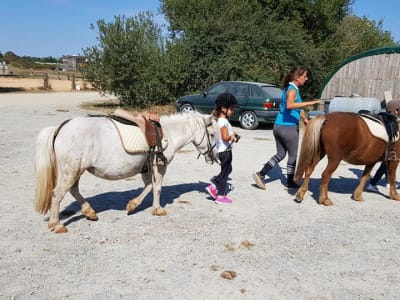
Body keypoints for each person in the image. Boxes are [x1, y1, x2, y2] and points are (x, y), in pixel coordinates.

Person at [252, 65, 322, 189]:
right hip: (288, 128)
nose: (306, 79)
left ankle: (261, 174)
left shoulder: (289, 88)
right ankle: (290, 182)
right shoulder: (292, 90)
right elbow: (290, 105)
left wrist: (305, 119)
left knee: (280, 154)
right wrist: (309, 103)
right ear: (297, 77)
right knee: (293, 155)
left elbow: (296, 107)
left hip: (279, 126)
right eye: (304, 76)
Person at [206, 93, 240, 204]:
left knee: (228, 169)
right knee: (225, 173)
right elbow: (225, 137)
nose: (232, 111)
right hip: (225, 152)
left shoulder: (219, 121)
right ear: (223, 109)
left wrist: (232, 134)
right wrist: (232, 137)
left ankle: (214, 183)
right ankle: (220, 195)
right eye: (231, 109)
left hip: (223, 151)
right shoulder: (224, 122)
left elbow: (223, 135)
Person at [366, 105, 400, 193]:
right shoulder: (392, 121)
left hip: (390, 148)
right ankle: (374, 183)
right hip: (391, 147)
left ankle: (383, 182)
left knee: (386, 165)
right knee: (387, 164)